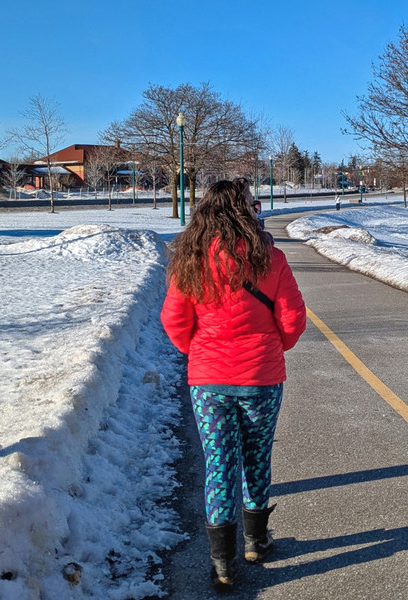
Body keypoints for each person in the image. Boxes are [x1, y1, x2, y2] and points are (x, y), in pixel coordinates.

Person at [161, 178, 307, 591]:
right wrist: (273, 346)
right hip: (261, 376)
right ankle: (256, 542)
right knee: (256, 456)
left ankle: (222, 563)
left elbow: (173, 320)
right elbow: (293, 320)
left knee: (219, 464)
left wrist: (200, 351)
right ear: (248, 211)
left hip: (208, 380)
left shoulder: (190, 259)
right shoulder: (271, 259)